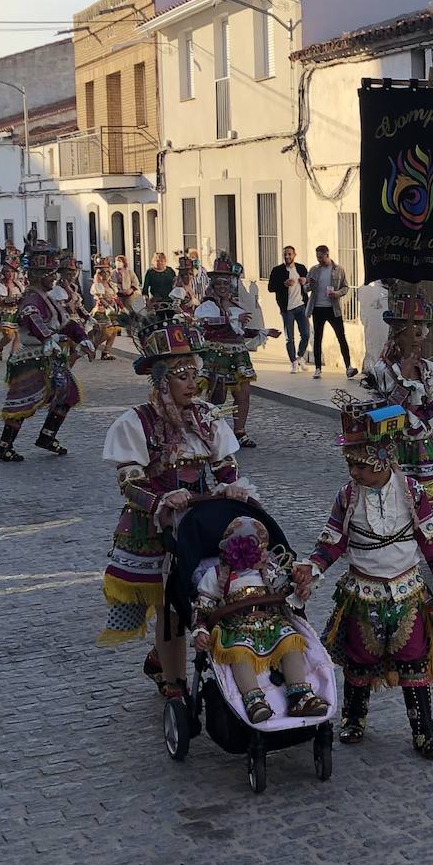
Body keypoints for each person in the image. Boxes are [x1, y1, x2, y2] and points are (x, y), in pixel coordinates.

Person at [98, 305, 257, 701]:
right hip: (157, 526)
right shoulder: (138, 422)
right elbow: (128, 481)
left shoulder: (207, 417)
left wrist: (234, 489)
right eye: (181, 375)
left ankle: (186, 660)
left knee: (217, 590)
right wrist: (163, 499)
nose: (191, 383)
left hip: (203, 520)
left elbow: (225, 466)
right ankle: (174, 681)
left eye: (193, 373)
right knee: (170, 604)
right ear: (161, 379)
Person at [292, 393, 433, 759]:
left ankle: (424, 731)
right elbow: (332, 540)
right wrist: (313, 567)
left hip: (408, 590)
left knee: (415, 660)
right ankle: (353, 717)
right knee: (359, 657)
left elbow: (430, 536)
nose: (354, 473)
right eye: (350, 465)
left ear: (384, 459)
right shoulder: (347, 497)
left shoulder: (412, 493)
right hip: (361, 591)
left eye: (361, 466)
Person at [190, 517, 329, 722]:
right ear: (242, 551)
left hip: (269, 621)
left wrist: (298, 592)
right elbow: (203, 606)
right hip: (235, 626)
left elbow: (284, 590)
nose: (266, 554)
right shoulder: (217, 576)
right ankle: (253, 698)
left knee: (291, 640)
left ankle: (299, 694)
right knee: (239, 652)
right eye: (261, 550)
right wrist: (201, 629)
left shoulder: (268, 570)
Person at [365, 292, 433, 572]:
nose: (419, 334)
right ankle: (395, 551)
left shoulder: (429, 369)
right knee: (395, 498)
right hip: (395, 445)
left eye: (422, 327)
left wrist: (420, 405)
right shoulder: (382, 370)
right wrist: (403, 380)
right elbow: (381, 408)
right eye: (413, 328)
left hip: (423, 442)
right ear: (399, 333)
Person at [0, 233, 94, 462]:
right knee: (24, 402)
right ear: (39, 276)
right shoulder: (32, 299)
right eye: (50, 274)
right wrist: (50, 338)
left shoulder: (48, 297)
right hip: (32, 357)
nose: (53, 278)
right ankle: (4, 445)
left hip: (48, 357)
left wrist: (83, 338)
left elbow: (66, 323)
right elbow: (33, 321)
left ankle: (47, 436)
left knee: (68, 394)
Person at [193, 254, 280, 447]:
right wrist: (230, 320)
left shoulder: (235, 305)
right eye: (219, 284)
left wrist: (263, 332)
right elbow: (205, 325)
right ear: (213, 285)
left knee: (243, 395)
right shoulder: (209, 305)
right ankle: (213, 431)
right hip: (218, 355)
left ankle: (240, 431)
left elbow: (240, 331)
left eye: (226, 283)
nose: (223, 287)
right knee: (217, 396)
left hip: (239, 355)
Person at [305, 245, 356, 380]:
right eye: (317, 257)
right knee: (317, 338)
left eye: (321, 257)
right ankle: (317, 368)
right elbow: (305, 289)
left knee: (341, 337)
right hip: (317, 308)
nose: (319, 260)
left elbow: (346, 287)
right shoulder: (314, 270)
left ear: (327, 254)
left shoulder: (338, 270)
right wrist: (309, 284)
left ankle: (348, 367)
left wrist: (337, 293)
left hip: (333, 308)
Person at [267, 246, 310, 372]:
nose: (287, 257)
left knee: (306, 334)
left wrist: (305, 281)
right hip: (287, 309)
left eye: (289, 254)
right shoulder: (277, 270)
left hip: (301, 306)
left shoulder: (301, 268)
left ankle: (300, 356)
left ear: (294, 255)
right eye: (285, 254)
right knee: (289, 337)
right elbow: (271, 287)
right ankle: (293, 362)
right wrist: (283, 284)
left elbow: (310, 285)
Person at [0, 262, 24, 362]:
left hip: (17, 311)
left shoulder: (18, 284)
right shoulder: (0, 285)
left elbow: (23, 295)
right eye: (7, 271)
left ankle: (13, 355)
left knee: (18, 334)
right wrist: (13, 297)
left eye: (12, 271)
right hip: (6, 312)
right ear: (3, 273)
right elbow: (3, 300)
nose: (10, 274)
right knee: (8, 335)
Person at [88, 258, 123, 361]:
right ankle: (92, 348)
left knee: (114, 331)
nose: (106, 274)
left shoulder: (111, 284)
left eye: (107, 272)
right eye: (103, 272)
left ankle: (106, 352)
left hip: (113, 310)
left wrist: (120, 307)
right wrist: (108, 306)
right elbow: (100, 298)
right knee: (105, 332)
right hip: (101, 311)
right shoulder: (97, 285)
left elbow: (115, 297)